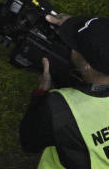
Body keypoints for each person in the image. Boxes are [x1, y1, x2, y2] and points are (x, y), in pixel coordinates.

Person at [21, 14, 109, 168]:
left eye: (74, 47)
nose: (70, 49)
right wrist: (73, 24)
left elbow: (29, 142)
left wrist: (41, 92)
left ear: (87, 66)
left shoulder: (59, 107)